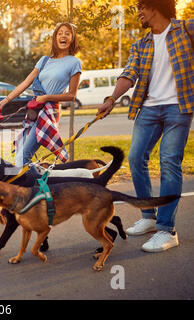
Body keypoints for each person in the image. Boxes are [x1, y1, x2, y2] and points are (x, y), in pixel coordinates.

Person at [97, 0, 193, 252]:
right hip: (149, 108)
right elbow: (129, 73)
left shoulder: (187, 30)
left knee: (169, 161)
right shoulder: (141, 44)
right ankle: (148, 217)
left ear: (156, 6)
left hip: (179, 107)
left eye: (142, 7)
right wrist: (111, 99)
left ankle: (167, 230)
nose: (138, 13)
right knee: (136, 157)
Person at [0, 22, 82, 176]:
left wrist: (46, 97)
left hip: (49, 112)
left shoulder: (74, 63)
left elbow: (71, 96)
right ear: (55, 38)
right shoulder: (44, 60)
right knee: (21, 154)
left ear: (72, 39)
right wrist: (4, 102)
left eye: (67, 33)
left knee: (24, 156)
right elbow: (26, 83)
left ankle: (36, 188)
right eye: (60, 33)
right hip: (35, 110)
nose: (63, 36)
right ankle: (37, 188)